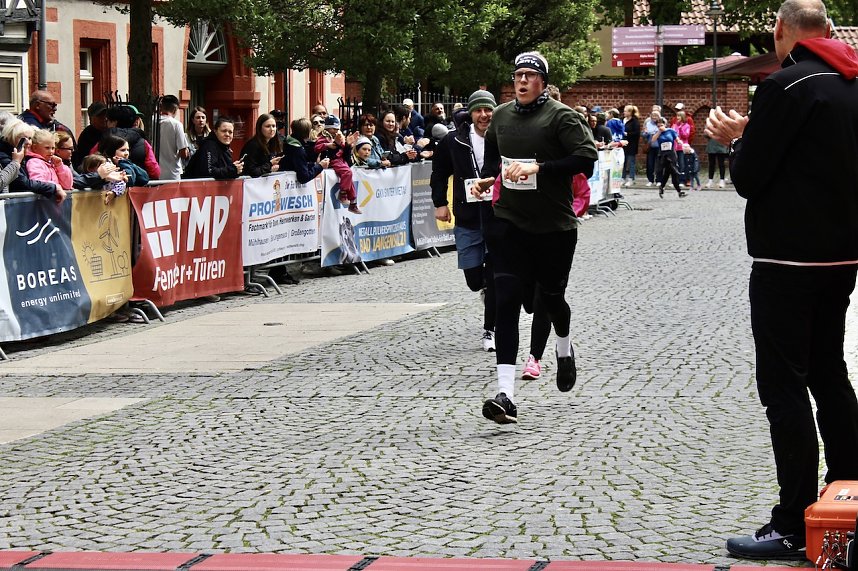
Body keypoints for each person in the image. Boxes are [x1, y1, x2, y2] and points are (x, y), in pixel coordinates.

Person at [704, 0, 858, 560]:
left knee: (784, 386)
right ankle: (848, 493)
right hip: (842, 257)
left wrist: (738, 138)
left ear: (781, 31)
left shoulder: (787, 84)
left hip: (787, 260)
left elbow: (748, 177)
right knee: (830, 374)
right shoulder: (849, 81)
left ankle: (793, 517)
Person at [471, 51, 597, 424]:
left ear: (542, 81)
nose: (522, 81)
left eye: (529, 75)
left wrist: (540, 167)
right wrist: (488, 178)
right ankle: (506, 395)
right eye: (517, 76)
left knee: (552, 299)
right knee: (506, 300)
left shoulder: (562, 117)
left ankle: (563, 347)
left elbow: (586, 158)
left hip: (553, 228)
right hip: (509, 223)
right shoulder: (502, 117)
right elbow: (496, 160)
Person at [431, 89, 499, 353]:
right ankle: (484, 289)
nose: (484, 115)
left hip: (498, 216)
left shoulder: (502, 138)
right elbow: (439, 174)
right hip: (468, 216)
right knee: (474, 279)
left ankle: (490, 330)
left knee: (495, 275)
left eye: (488, 110)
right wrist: (440, 204)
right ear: (470, 113)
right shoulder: (453, 141)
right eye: (478, 110)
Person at [314, 115, 361, 214]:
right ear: (327, 128)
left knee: (349, 178)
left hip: (340, 160)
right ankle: (342, 194)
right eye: (333, 128)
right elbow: (317, 147)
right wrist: (328, 145)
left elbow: (344, 150)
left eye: (337, 128)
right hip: (331, 160)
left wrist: (348, 144)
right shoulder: (324, 137)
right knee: (347, 173)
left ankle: (353, 202)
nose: (335, 131)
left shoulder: (339, 137)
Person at [97, 133, 150, 205]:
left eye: (127, 150)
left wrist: (126, 163)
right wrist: (124, 163)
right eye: (122, 150)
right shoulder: (105, 164)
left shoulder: (124, 163)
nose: (126, 153)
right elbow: (130, 181)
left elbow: (144, 178)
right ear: (111, 150)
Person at [23, 129, 72, 202]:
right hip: (42, 206)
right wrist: (56, 187)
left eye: (53, 148)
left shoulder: (52, 163)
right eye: (47, 148)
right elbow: (38, 182)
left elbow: (68, 185)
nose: (51, 151)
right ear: (35, 147)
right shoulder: (34, 162)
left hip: (53, 207)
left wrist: (60, 166)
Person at [282, 117, 329, 183]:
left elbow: (309, 158)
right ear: (307, 132)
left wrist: (313, 142)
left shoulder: (289, 142)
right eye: (311, 129)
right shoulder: (297, 150)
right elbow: (304, 177)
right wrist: (320, 166)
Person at [651, 117, 686, 198]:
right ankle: (679, 191)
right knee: (673, 172)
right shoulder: (657, 133)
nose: (660, 127)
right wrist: (659, 131)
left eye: (661, 125)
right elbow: (653, 140)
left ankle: (662, 187)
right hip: (663, 155)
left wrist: (680, 142)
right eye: (658, 126)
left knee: (668, 173)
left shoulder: (671, 131)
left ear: (665, 125)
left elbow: (677, 139)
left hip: (671, 154)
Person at [157, 95, 191, 180]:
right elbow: (183, 152)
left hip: (154, 171)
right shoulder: (176, 124)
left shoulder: (151, 122)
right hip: (172, 173)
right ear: (175, 109)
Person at [240, 113, 283, 178]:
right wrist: (270, 165)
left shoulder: (272, 143)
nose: (272, 129)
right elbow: (252, 171)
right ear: (260, 128)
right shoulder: (253, 145)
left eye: (273, 126)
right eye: (268, 126)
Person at [73, 102, 108, 171]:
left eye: (105, 115)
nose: (104, 118)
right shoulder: (87, 135)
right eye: (100, 116)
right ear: (91, 119)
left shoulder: (110, 131)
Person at [621, 105, 641, 187]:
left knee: (631, 161)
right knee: (623, 161)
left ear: (630, 112)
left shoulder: (635, 121)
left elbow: (637, 133)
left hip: (631, 144)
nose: (624, 112)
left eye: (626, 111)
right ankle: (622, 177)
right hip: (622, 143)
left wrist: (627, 134)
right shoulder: (622, 120)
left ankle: (631, 178)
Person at [643, 110, 662, 187]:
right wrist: (645, 133)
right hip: (650, 145)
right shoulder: (648, 123)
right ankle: (650, 180)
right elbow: (644, 134)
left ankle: (659, 180)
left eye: (656, 116)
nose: (654, 117)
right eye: (653, 115)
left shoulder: (661, 124)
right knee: (650, 164)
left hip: (659, 146)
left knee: (659, 164)